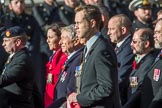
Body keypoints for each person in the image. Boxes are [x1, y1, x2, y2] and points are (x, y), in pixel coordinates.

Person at [67, 5, 121, 108]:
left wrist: (79, 98)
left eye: (79, 23)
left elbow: (106, 88)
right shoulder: (90, 47)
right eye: (75, 23)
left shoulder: (102, 49)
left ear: (92, 23)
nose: (76, 27)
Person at [123, 18, 162, 108]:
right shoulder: (158, 56)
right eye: (155, 32)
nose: (155, 36)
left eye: (158, 32)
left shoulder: (151, 59)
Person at [49, 25, 84, 108]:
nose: (60, 42)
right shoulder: (71, 59)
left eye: (64, 38)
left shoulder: (79, 60)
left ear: (75, 41)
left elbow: (71, 90)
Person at [0, 26, 34, 108]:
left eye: (6, 41)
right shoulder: (15, 56)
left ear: (17, 42)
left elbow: (6, 78)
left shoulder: (22, 59)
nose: (3, 44)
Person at [108, 14, 135, 105]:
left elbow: (121, 77)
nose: (108, 33)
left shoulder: (129, 48)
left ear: (123, 30)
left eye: (111, 29)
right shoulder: (120, 47)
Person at [44, 23, 67, 108]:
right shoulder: (53, 56)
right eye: (47, 37)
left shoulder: (64, 57)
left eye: (51, 37)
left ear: (60, 38)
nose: (47, 40)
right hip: (50, 101)